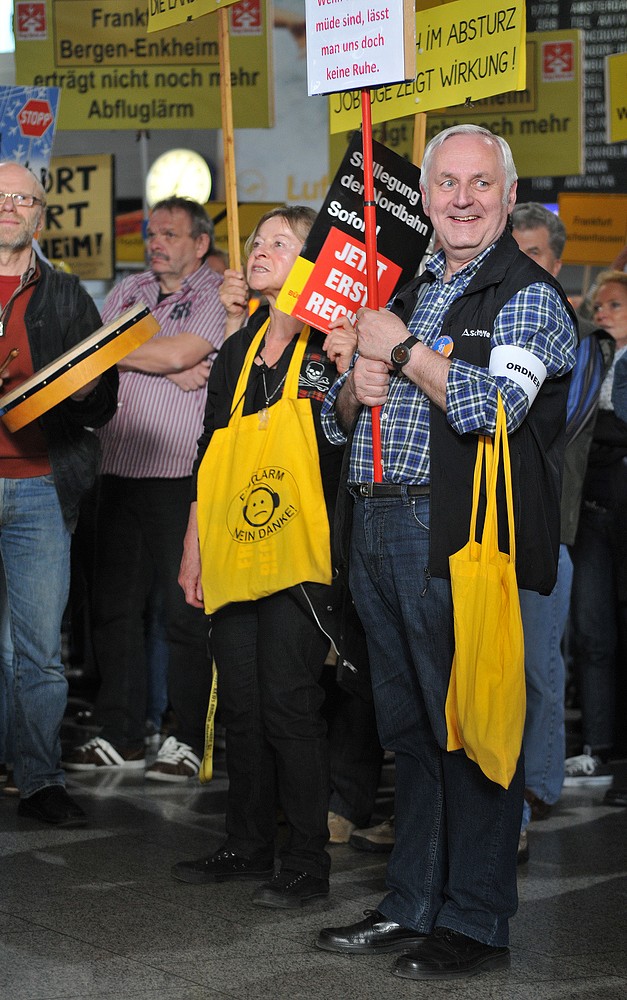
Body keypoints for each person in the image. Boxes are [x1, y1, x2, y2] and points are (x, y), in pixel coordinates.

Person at [316, 125, 576, 980]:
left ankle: (474, 920)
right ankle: (411, 903)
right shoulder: (409, 285)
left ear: (506, 196)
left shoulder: (528, 294)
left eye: (480, 184)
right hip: (379, 525)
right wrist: (354, 394)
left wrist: (399, 349)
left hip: (457, 537)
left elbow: (497, 410)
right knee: (412, 733)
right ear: (423, 198)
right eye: (447, 184)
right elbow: (340, 425)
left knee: (472, 730)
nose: (462, 199)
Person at [171, 206, 356, 908]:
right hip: (236, 543)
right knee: (241, 706)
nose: (260, 249)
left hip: (302, 552)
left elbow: (343, 438)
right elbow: (208, 452)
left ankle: (307, 863)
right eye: (256, 240)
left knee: (289, 704)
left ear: (313, 262)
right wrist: (193, 544)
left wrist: (346, 365)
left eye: (282, 242)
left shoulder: (324, 343)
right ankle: (246, 844)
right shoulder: (243, 346)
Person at [0, 161, 118, 827]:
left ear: (40, 217)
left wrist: (87, 390)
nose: (9, 207)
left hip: (41, 494)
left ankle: (39, 780)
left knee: (39, 653)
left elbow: (102, 402)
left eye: (24, 198)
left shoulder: (68, 296)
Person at [63, 197, 226, 781]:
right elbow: (88, 356)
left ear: (200, 243)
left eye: (170, 234)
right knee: (114, 611)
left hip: (181, 474)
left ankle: (185, 738)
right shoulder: (129, 291)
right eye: (151, 234)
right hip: (116, 468)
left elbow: (182, 352)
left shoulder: (216, 293)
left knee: (185, 613)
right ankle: (121, 733)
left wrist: (128, 353)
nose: (155, 243)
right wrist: (154, 362)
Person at [510, 205, 613, 846]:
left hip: (548, 532)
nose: (524, 268)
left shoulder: (580, 343)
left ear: (558, 262)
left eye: (536, 256)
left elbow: (542, 424)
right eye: (513, 255)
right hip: (482, 527)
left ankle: (533, 793)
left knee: (538, 671)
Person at [565, 270, 627, 784]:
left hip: (618, 510)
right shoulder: (591, 355)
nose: (601, 312)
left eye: (614, 306)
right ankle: (597, 744)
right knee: (591, 635)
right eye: (598, 305)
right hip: (588, 509)